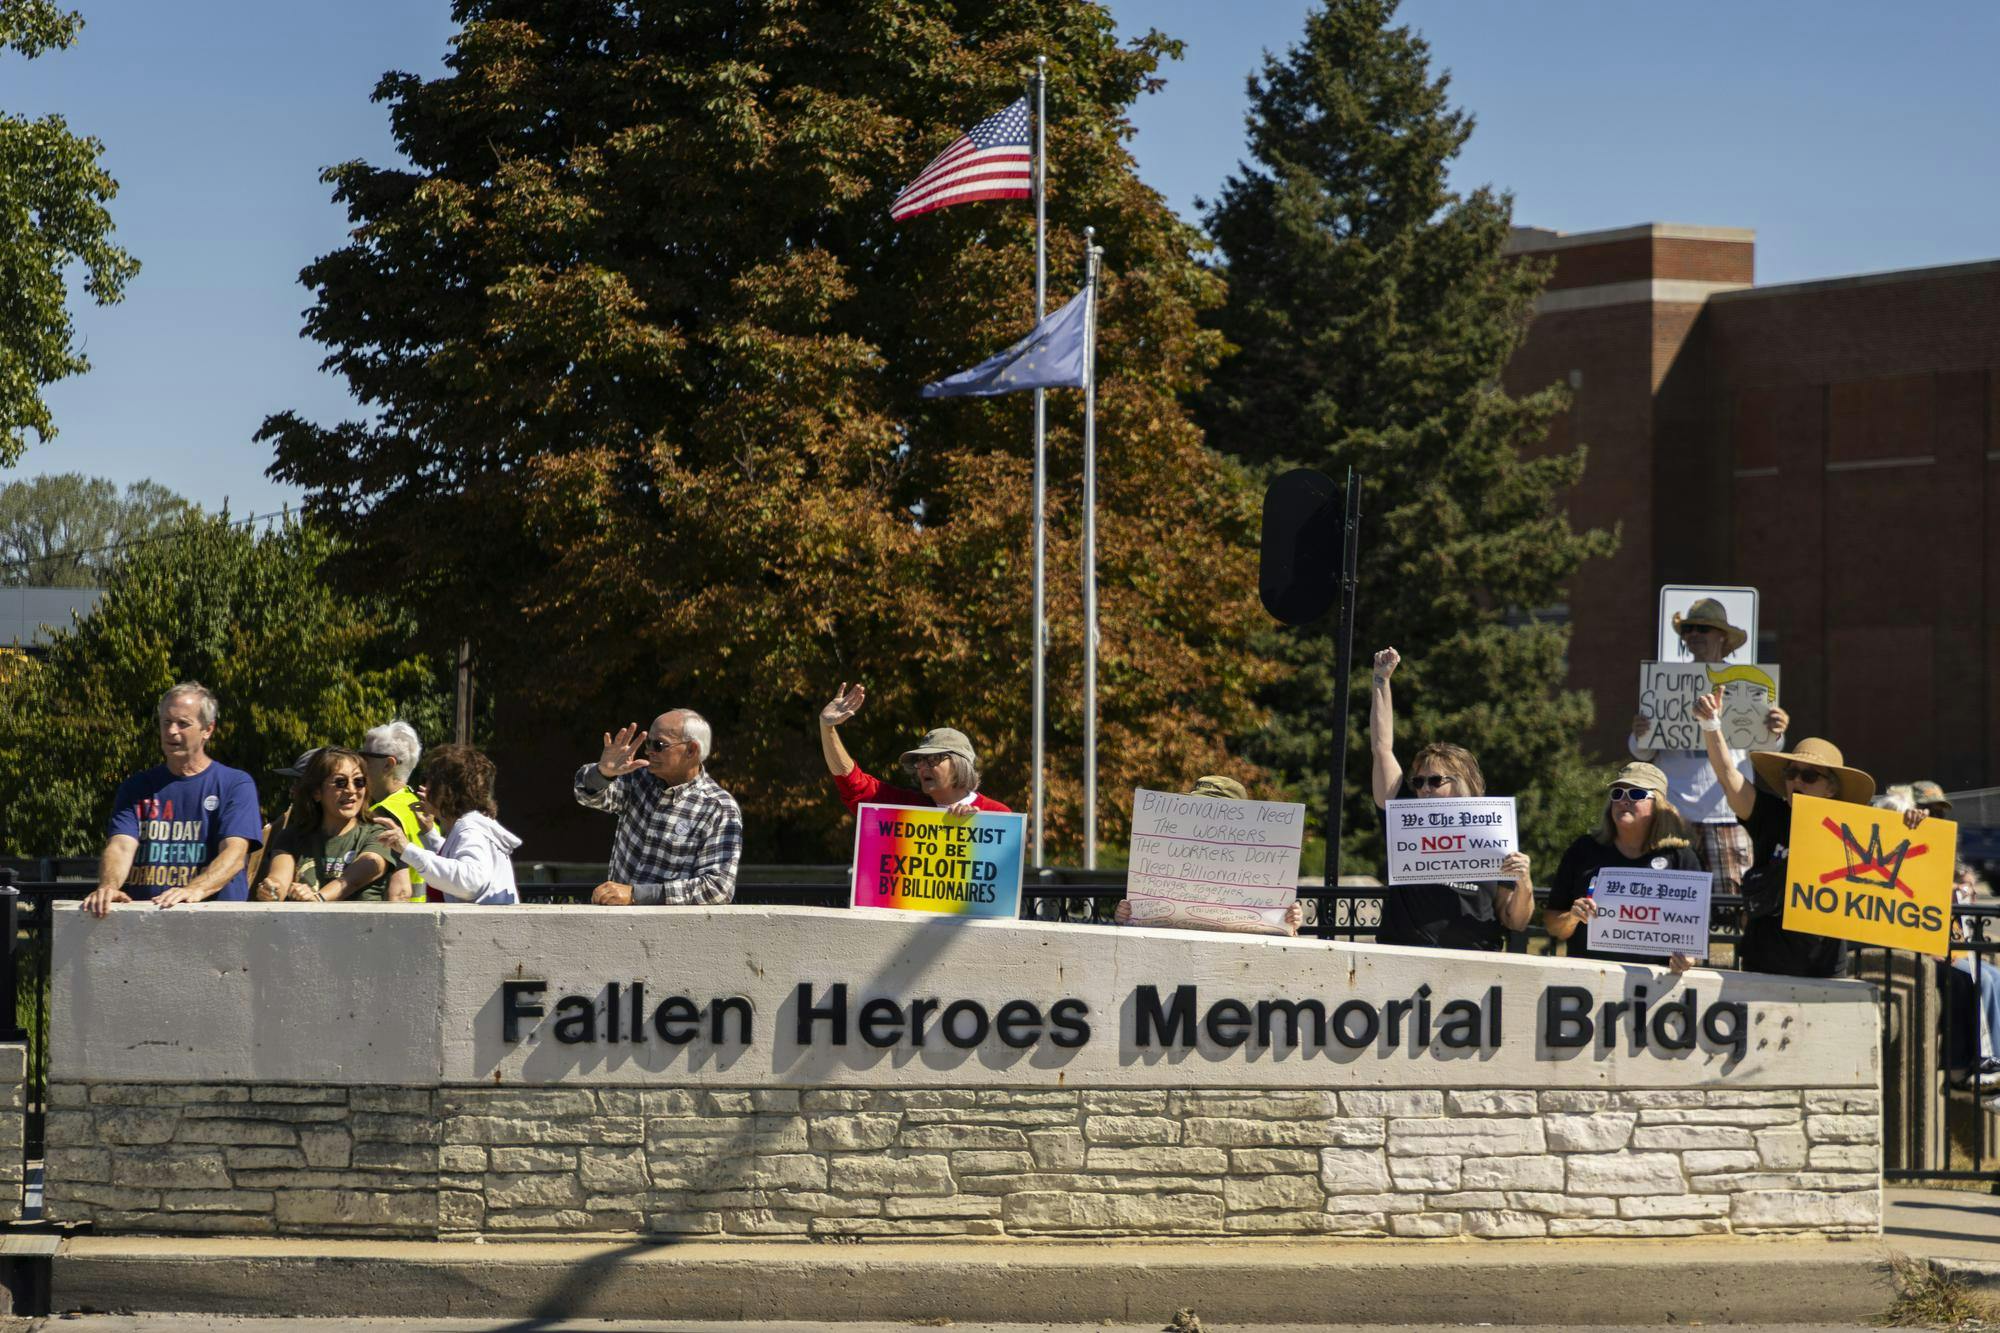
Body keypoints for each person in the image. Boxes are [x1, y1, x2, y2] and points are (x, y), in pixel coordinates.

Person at [1695, 689, 1925, 977]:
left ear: (1831, 788)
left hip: (1824, 970)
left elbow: (1904, 861)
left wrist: (1916, 825)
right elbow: (1728, 777)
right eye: (1791, 774)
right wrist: (1711, 724)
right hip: (1763, 964)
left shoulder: (1853, 828)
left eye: (1809, 776)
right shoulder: (1771, 814)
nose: (1796, 781)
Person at [1367, 648, 1533, 950]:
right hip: (1405, 956)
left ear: (1464, 782)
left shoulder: (1493, 829)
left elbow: (1515, 920)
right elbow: (1382, 749)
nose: (1424, 789)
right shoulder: (1404, 818)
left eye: (1434, 780)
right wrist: (1381, 680)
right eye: (1418, 782)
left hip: (1474, 965)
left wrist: (1524, 881)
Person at [1629, 599, 1788, 897]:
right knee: (1672, 904)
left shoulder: (1747, 683)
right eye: (1688, 629)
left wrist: (1775, 731)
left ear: (1722, 637)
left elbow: (1767, 748)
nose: (1694, 635)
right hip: (1674, 812)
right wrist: (1640, 734)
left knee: (1731, 905)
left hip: (1728, 812)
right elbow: (1643, 753)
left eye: (1704, 628)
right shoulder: (1664, 683)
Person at [84, 682, 264, 917]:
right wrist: (108, 887)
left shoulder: (235, 784)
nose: (171, 731)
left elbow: (235, 854)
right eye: (166, 722)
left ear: (207, 730)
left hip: (215, 925)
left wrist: (194, 889)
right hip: (146, 922)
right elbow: (120, 845)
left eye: (183, 724)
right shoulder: (136, 787)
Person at [1542, 762, 1702, 968]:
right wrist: (1572, 918)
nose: (1623, 801)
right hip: (1589, 976)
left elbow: (1695, 934)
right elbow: (1554, 926)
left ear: (1658, 805)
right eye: (1617, 794)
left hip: (1656, 982)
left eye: (1635, 794)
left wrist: (1688, 957)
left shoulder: (1681, 857)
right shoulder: (1584, 849)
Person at [575, 710, 743, 905]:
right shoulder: (638, 778)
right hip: (616, 924)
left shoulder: (718, 808)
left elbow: (717, 888)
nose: (648, 751)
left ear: (691, 750)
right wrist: (603, 773)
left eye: (659, 745)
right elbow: (587, 797)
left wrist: (636, 895)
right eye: (648, 743)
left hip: (670, 930)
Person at [1113, 775, 1306, 935]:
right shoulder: (1170, 859)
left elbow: (1277, 941)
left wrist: (1290, 922)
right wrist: (1125, 916)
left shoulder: (1261, 868)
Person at [817, 682, 1009, 815]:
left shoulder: (996, 815)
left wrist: (979, 826)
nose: (923, 766)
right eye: (920, 760)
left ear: (960, 764)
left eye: (933, 759)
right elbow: (852, 783)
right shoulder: (903, 808)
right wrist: (827, 728)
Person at [254, 747, 411, 902]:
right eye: (340, 782)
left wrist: (317, 899)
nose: (351, 790)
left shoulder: (378, 835)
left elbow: (357, 876)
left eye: (359, 781)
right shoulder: (291, 836)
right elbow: (279, 879)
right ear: (316, 792)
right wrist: (271, 891)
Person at [371, 744, 520, 904]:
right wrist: (429, 834)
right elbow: (455, 859)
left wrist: (407, 849)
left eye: (428, 780)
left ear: (445, 790)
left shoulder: (470, 830)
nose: (424, 787)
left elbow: (470, 881)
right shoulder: (468, 827)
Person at [361, 720, 427, 902]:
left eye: (365, 757)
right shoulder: (423, 808)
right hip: (425, 917)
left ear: (388, 765)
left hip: (395, 918)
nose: (358, 764)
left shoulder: (380, 814)